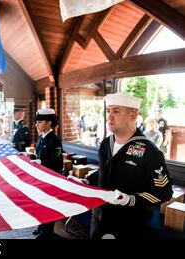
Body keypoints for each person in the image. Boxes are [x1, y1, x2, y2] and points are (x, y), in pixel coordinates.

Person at [68, 92, 173, 239]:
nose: (109, 116)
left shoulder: (150, 152)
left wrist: (130, 199)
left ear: (133, 116)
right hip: (99, 216)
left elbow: (164, 192)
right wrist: (86, 181)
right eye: (108, 110)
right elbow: (104, 172)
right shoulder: (106, 144)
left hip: (128, 224)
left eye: (116, 111)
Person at [32, 108, 64, 239]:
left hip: (50, 179)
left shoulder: (54, 140)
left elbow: (57, 164)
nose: (36, 125)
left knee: (48, 205)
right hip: (40, 178)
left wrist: (40, 164)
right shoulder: (41, 139)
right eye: (37, 122)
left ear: (49, 123)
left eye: (40, 122)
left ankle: (47, 232)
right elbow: (38, 155)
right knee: (40, 204)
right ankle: (41, 227)